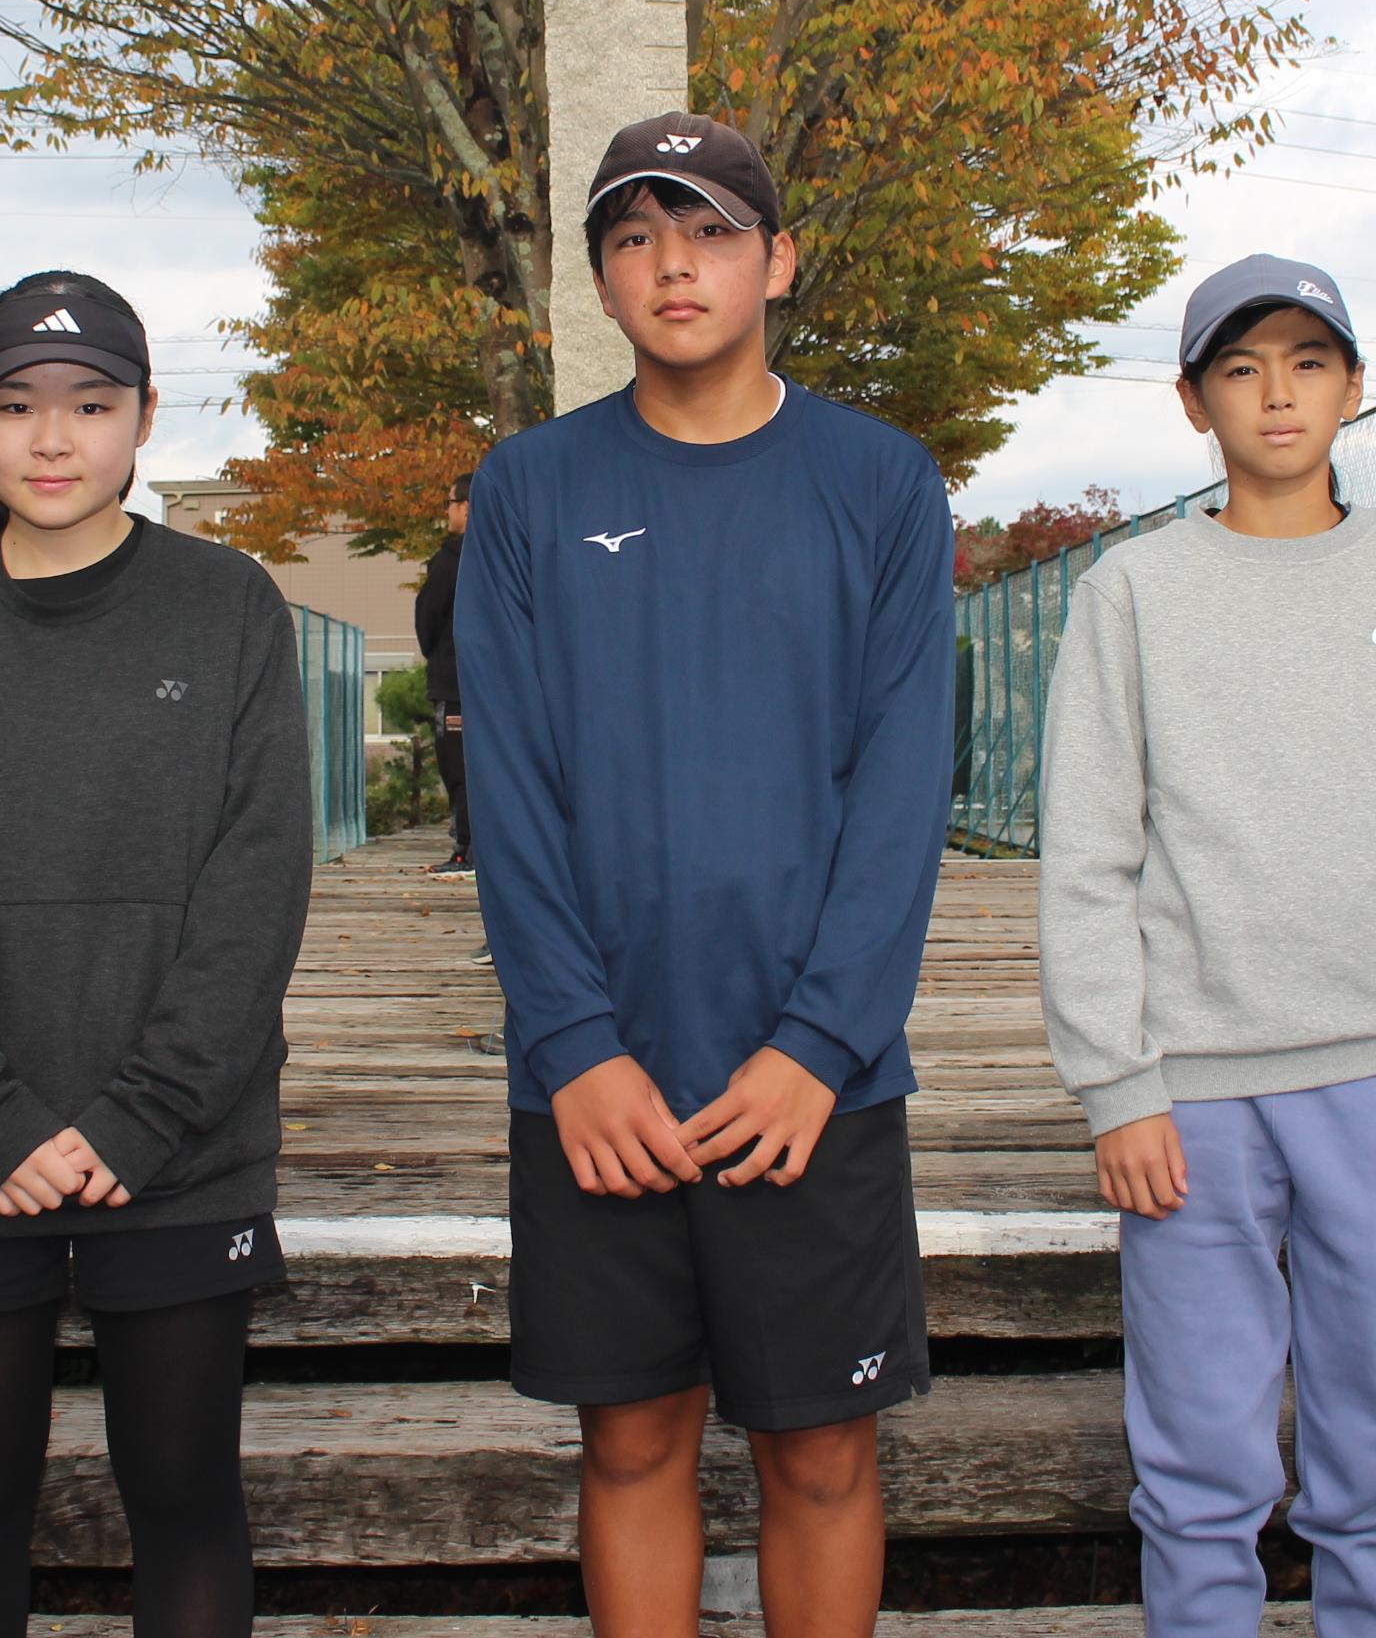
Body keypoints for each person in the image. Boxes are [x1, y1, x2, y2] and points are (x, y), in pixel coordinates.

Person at [461, 111, 955, 1638]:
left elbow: (902, 795)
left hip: (813, 1084)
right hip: (599, 1082)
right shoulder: (529, 488)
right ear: (600, 278)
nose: (672, 263)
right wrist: (573, 1047)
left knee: (822, 1456)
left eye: (710, 231)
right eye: (634, 235)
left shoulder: (881, 483)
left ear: (778, 261)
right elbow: (511, 792)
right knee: (629, 1445)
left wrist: (821, 1044)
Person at [1037, 255, 1376, 1638]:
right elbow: (1087, 858)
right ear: (1193, 400)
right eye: (1242, 367)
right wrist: (1118, 1085)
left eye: (1309, 362)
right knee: (1197, 1447)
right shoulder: (1132, 593)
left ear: (1354, 387)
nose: (1278, 392)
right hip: (1189, 1098)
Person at [0, 270, 313, 1638]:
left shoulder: (230, 609)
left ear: (145, 417)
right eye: (15, 405)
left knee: (186, 1499)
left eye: (91, 405)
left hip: (181, 1160)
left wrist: (143, 1115)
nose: (52, 439)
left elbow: (256, 893)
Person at [415, 472, 473, 876]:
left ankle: (465, 850)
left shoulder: (451, 560)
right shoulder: (509, 554)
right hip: (500, 686)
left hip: (455, 683)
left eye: (450, 503)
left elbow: (428, 619)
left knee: (457, 767)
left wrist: (437, 655)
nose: (447, 512)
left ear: (466, 507)